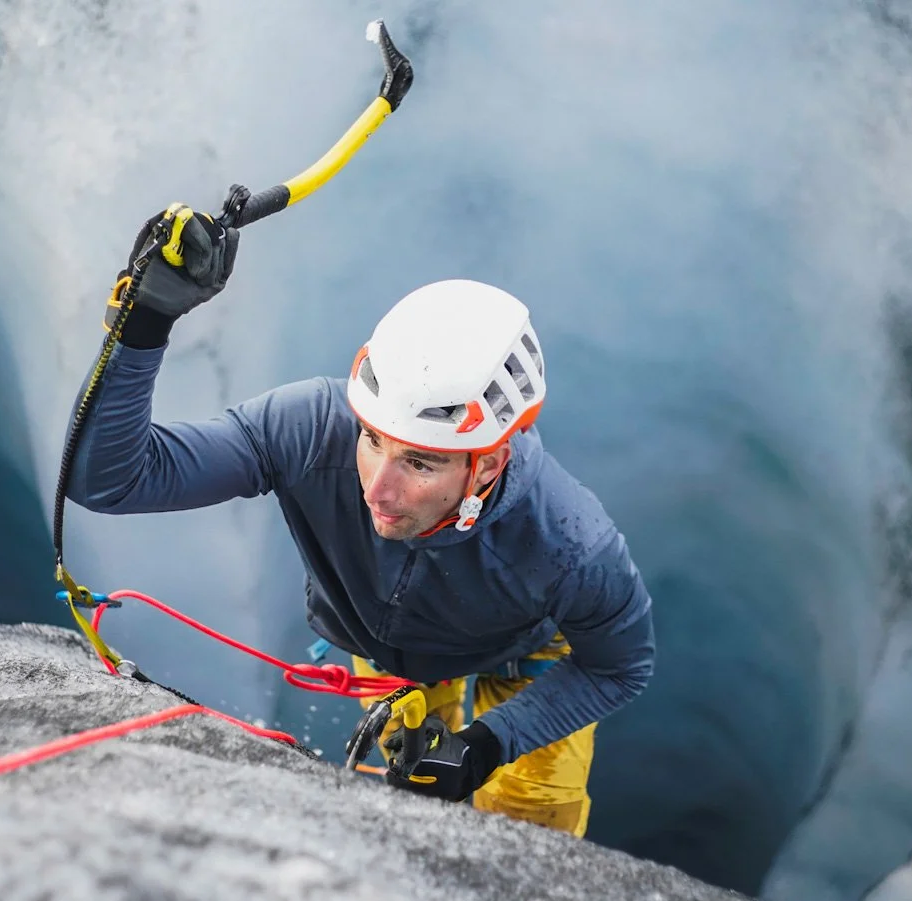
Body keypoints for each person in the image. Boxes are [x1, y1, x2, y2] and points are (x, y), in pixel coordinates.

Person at [67, 203, 656, 837]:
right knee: (418, 790)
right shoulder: (312, 428)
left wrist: (489, 742)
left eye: (421, 463)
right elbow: (110, 479)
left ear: (487, 466)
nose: (378, 487)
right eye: (372, 440)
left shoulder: (567, 539)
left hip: (525, 654)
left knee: (530, 827)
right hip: (387, 644)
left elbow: (618, 663)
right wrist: (145, 321)